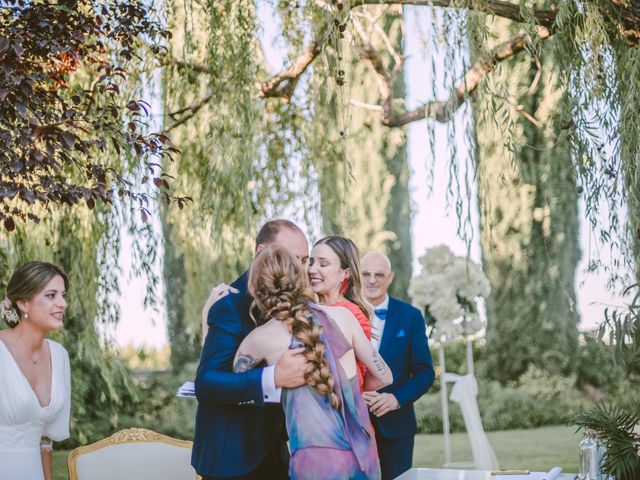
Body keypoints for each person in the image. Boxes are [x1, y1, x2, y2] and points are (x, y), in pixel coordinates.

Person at [234, 245, 393, 480]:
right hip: (362, 452)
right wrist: (350, 392)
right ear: (301, 280)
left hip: (313, 462)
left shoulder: (258, 340)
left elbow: (237, 394)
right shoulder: (344, 317)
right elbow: (385, 376)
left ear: (255, 289)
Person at [192, 219, 312, 480]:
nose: (301, 270)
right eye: (292, 258)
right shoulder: (229, 304)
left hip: (276, 453)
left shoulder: (298, 303)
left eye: (305, 261)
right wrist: (273, 378)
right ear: (261, 252)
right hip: (232, 460)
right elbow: (207, 383)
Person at [360, 251, 435, 480]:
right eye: (366, 274)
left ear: (390, 277)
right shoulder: (343, 313)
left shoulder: (410, 317)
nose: (372, 280)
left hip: (397, 425)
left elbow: (424, 373)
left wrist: (396, 399)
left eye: (379, 274)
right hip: (353, 422)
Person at [0, 261, 71, 480]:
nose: (63, 304)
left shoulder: (59, 356)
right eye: (51, 295)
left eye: (63, 295)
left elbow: (45, 442)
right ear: (23, 303)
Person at [308, 235, 372, 389]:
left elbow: (363, 374)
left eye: (323, 264)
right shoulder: (307, 308)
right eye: (310, 262)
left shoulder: (352, 314)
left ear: (345, 273)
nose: (311, 270)